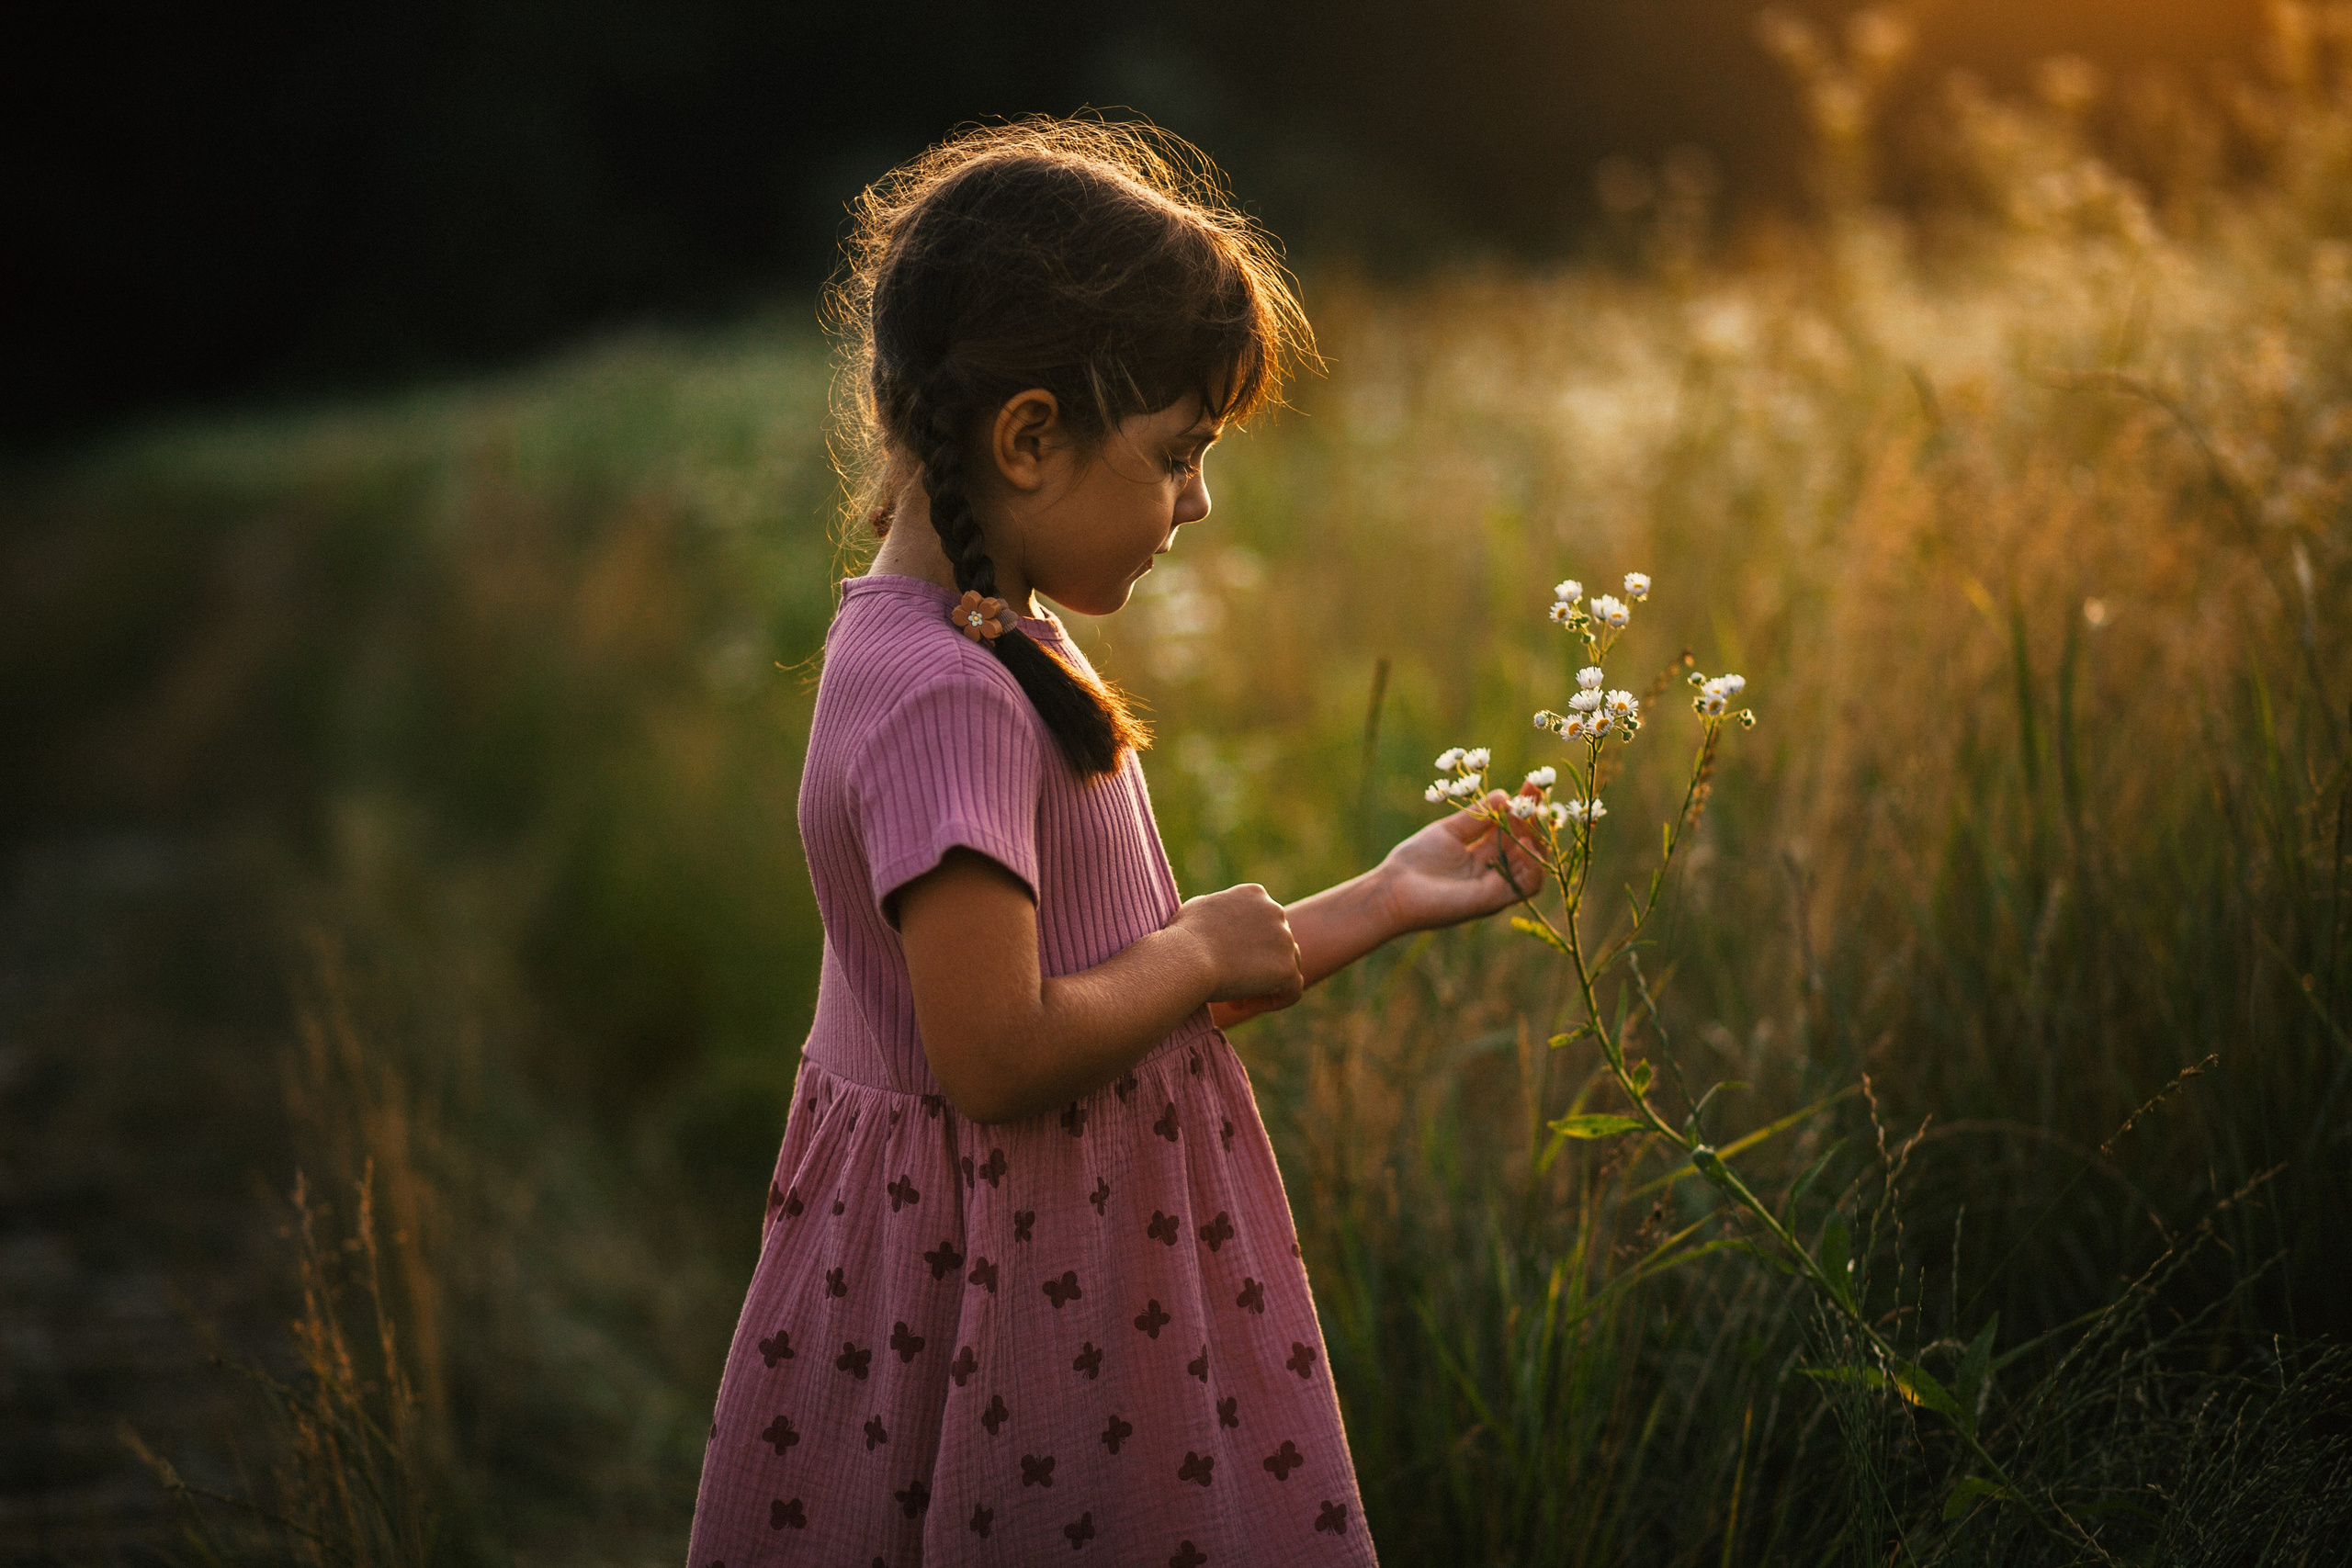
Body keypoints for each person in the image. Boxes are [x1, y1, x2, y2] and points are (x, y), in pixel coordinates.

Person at [686, 118, 1542, 1567]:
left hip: (1063, 1273)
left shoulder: (967, 641)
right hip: (1028, 1314)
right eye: (1176, 453)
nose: (1198, 500)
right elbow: (1003, 1055)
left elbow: (1128, 998)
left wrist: (1386, 897)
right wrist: (1199, 941)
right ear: (1027, 437)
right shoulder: (955, 698)